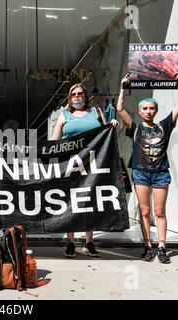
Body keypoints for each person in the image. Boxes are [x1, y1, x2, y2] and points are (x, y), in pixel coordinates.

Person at [117, 72, 178, 264]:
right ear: (139, 111)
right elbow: (120, 108)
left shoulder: (164, 126)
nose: (148, 111)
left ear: (156, 111)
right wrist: (123, 86)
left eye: (151, 108)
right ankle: (147, 245)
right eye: (145, 108)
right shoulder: (135, 128)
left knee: (160, 211)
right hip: (141, 173)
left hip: (160, 174)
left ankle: (162, 247)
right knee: (145, 211)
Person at [51, 84, 119, 258]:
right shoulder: (63, 114)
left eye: (80, 93)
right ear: (70, 97)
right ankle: (70, 242)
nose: (77, 96)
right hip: (71, 164)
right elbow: (54, 141)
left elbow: (106, 131)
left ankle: (89, 242)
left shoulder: (96, 112)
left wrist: (112, 124)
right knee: (70, 200)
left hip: (93, 163)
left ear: (85, 96)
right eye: (73, 94)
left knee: (91, 200)